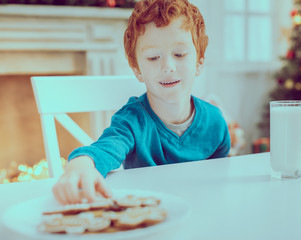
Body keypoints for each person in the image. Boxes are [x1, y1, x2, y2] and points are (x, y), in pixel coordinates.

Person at [53, 0, 231, 205]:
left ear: (199, 63)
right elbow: (105, 149)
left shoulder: (215, 123)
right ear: (137, 69)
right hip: (149, 217)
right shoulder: (131, 122)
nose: (168, 66)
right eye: (154, 57)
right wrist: (82, 164)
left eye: (180, 54)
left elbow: (219, 183)